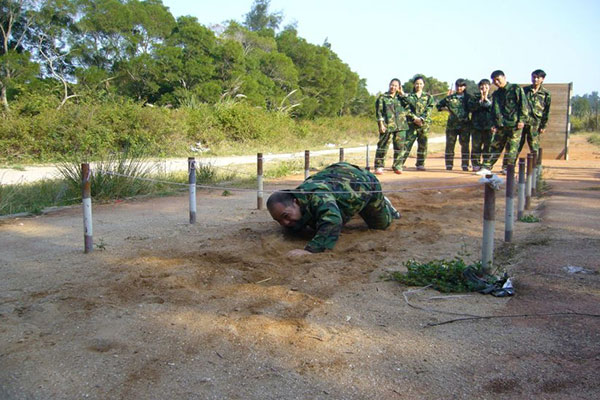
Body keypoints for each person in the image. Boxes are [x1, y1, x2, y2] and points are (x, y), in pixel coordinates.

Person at [267, 162, 401, 256]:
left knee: (381, 225)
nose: (284, 223)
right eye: (278, 220)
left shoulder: (318, 197)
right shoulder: (296, 201)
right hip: (337, 176)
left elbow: (333, 221)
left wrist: (311, 250)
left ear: (295, 202)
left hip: (364, 182)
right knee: (311, 222)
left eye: (285, 216)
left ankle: (384, 203)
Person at [481, 70, 528, 173]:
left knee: (512, 148)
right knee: (495, 146)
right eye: (494, 81)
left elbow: (523, 105)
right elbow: (494, 110)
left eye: (498, 79)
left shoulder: (515, 89)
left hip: (514, 125)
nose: (497, 82)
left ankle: (508, 168)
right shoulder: (496, 94)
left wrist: (522, 120)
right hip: (501, 125)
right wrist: (494, 124)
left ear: (504, 77)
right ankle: (486, 167)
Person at [374, 78, 411, 175]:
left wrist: (402, 93)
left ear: (399, 87)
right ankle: (379, 166)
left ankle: (397, 166)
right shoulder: (383, 97)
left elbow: (410, 104)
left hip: (401, 126)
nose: (393, 87)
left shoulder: (401, 98)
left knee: (400, 147)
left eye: (395, 86)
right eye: (392, 85)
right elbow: (379, 113)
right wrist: (381, 124)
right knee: (383, 145)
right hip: (387, 125)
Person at [400, 76, 435, 171]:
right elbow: (406, 108)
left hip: (423, 124)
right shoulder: (409, 96)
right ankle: (400, 163)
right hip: (411, 124)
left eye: (420, 83)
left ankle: (420, 164)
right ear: (414, 84)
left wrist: (421, 119)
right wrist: (414, 118)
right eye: (416, 83)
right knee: (407, 144)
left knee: (423, 144)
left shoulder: (428, 97)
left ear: (423, 85)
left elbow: (429, 108)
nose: (418, 85)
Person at [437, 79, 472, 171]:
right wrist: (447, 109)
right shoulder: (450, 98)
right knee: (450, 145)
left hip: (465, 125)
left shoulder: (468, 98)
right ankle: (449, 165)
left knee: (465, 145)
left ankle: (465, 165)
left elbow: (474, 108)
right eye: (458, 86)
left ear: (464, 87)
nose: (459, 88)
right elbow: (438, 106)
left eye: (461, 86)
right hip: (452, 125)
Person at [521, 69, 551, 153]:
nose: (535, 79)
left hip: (535, 124)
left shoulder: (546, 94)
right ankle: (510, 165)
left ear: (542, 79)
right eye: (534, 77)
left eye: (538, 77)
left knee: (534, 147)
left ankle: (536, 165)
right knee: (516, 146)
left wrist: (543, 126)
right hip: (522, 123)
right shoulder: (524, 91)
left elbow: (546, 111)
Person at [468, 79, 494, 171]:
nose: (484, 89)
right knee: (476, 146)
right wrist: (480, 101)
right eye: (482, 87)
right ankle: (475, 164)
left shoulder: (493, 97)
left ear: (489, 87)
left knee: (488, 146)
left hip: (489, 126)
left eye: (486, 87)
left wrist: (486, 100)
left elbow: (494, 109)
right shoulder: (474, 97)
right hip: (476, 126)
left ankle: (486, 164)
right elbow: (471, 108)